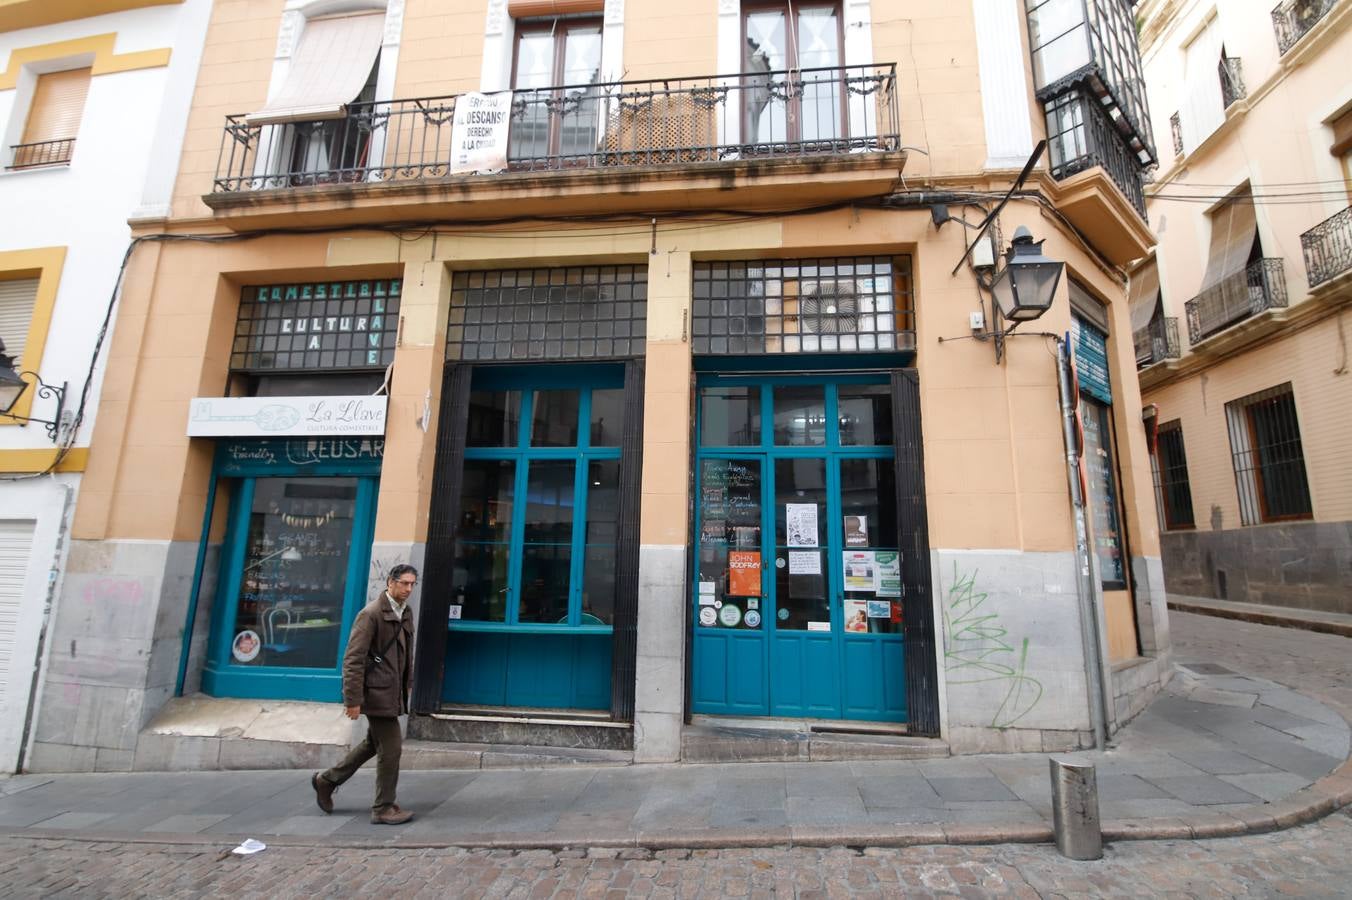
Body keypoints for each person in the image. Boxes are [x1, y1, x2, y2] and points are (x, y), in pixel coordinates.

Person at [312, 565, 418, 825]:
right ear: (390, 582)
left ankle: (326, 781)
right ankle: (382, 808)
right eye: (404, 583)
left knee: (373, 743)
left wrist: (408, 684)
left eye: (412, 584)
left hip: (393, 692)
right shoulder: (370, 614)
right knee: (391, 749)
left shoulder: (406, 612)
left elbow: (405, 654)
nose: (408, 589)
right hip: (376, 694)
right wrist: (353, 700)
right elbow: (353, 659)